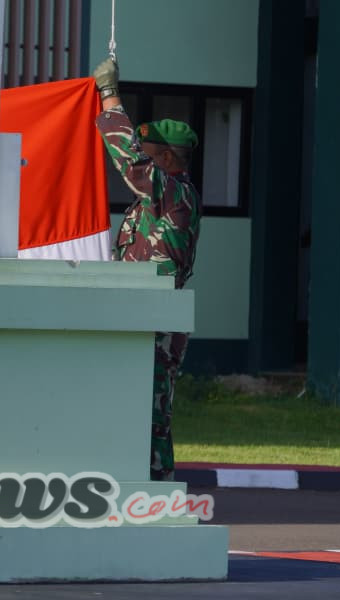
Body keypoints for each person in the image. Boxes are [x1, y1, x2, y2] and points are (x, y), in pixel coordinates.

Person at [92, 57, 202, 482]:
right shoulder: (151, 202)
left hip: (157, 325)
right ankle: (136, 491)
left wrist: (109, 97)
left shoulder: (176, 194)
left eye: (152, 155)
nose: (145, 162)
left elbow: (129, 163)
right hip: (137, 321)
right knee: (133, 412)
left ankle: (154, 498)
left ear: (170, 158)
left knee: (151, 416)